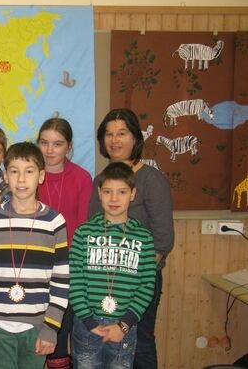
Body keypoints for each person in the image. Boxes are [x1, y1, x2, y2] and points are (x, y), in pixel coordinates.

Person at [88, 108, 174, 369]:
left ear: (135, 138)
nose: (114, 140)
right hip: (103, 282)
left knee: (141, 342)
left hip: (139, 283)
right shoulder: (100, 180)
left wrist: (138, 280)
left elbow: (162, 240)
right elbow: (92, 229)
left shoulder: (151, 179)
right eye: (109, 134)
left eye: (122, 133)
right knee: (105, 343)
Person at [0, 142, 69, 369]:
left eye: (29, 171)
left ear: (41, 176)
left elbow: (61, 280)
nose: (22, 180)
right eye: (14, 172)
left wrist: (51, 327)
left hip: (38, 326)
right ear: (6, 176)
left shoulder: (55, 222)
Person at [70, 162, 156, 369]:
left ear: (133, 194)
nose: (114, 199)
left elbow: (146, 286)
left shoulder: (144, 237)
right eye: (108, 191)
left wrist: (124, 325)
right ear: (99, 193)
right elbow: (75, 281)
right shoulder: (84, 233)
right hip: (86, 324)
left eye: (122, 192)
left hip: (124, 326)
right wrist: (90, 322)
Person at [36, 118, 93, 369]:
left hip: (66, 269)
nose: (50, 150)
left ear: (68, 147)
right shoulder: (29, 174)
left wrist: (60, 264)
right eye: (44, 143)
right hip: (33, 268)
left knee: (59, 334)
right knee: (33, 337)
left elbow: (82, 227)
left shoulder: (81, 178)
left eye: (57, 144)